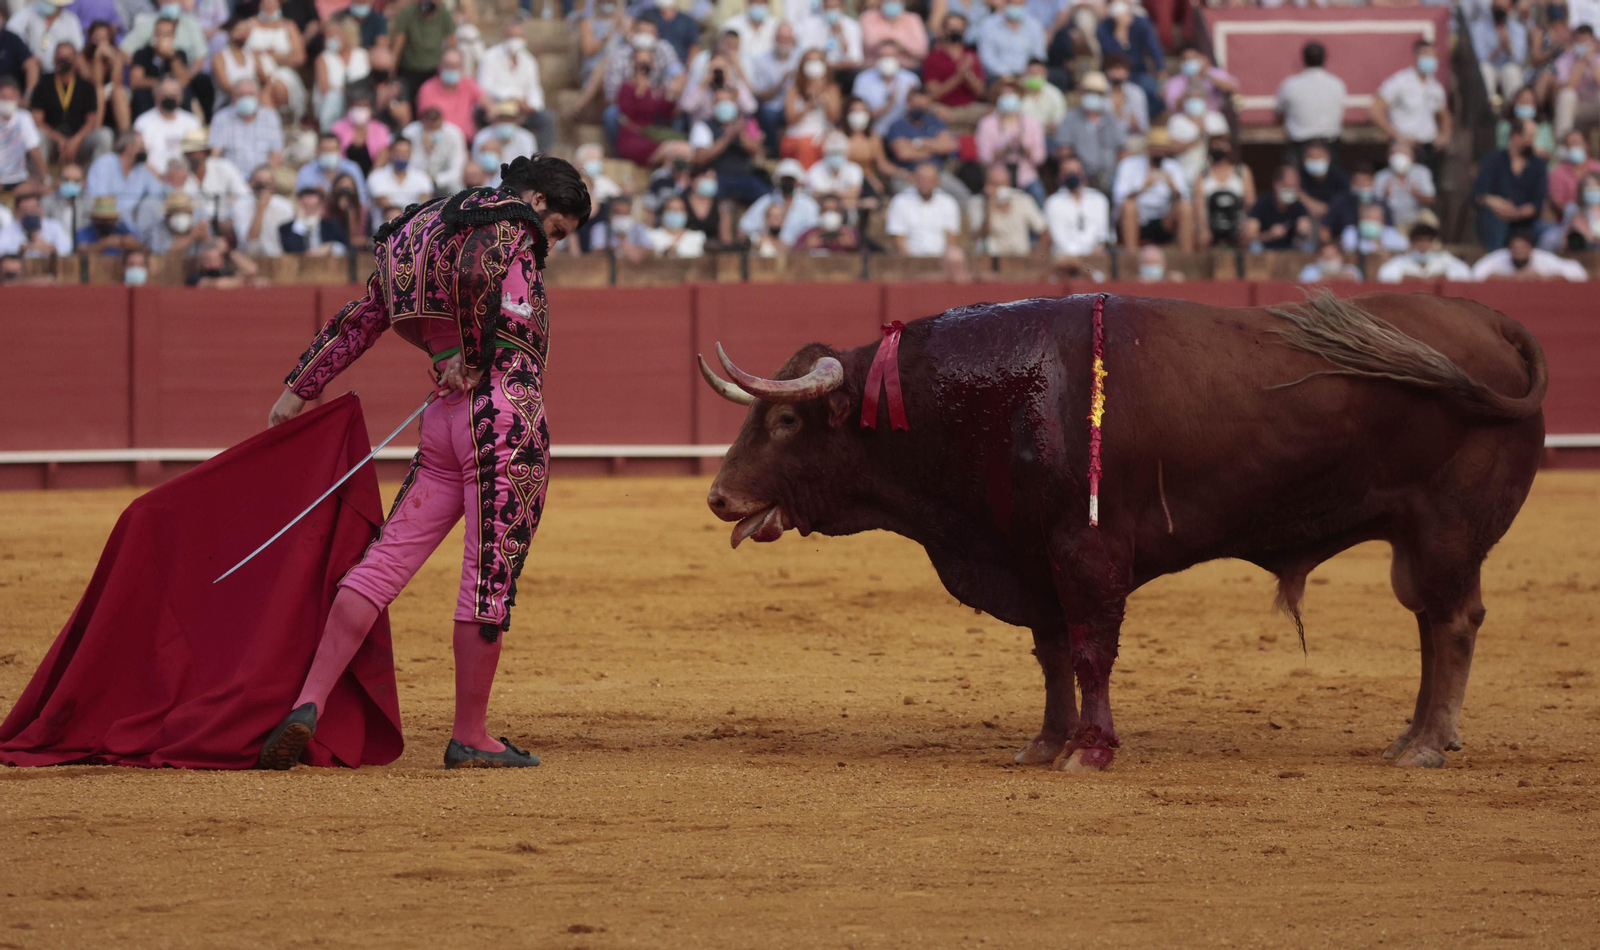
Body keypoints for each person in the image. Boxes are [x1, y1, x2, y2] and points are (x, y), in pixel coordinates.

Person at [258, 156, 590, 772]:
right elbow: (477, 273)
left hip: (441, 419)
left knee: (384, 562)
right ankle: (470, 735)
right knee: (489, 576)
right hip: (502, 413)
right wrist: (473, 349)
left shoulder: (413, 231)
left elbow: (363, 317)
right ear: (539, 200)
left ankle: (310, 701)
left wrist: (300, 386)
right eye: (559, 231)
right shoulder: (510, 221)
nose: (551, 245)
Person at [1373, 39, 1451, 180]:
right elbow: (1375, 110)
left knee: (1427, 190)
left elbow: (1444, 114)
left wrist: (1444, 135)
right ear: (1416, 56)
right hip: (1405, 148)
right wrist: (1396, 135)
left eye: (1433, 56)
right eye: (1426, 55)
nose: (1430, 59)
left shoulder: (1435, 86)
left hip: (1428, 147)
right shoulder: (1400, 82)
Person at [478, 15, 555, 154]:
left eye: (518, 36)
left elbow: (535, 91)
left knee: (546, 119)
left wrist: (531, 105)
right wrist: (511, 97)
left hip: (521, 112)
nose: (514, 40)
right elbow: (483, 88)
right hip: (496, 109)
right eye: (511, 36)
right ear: (504, 36)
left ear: (524, 38)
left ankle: (541, 162)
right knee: (477, 112)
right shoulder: (490, 57)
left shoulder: (529, 62)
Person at [30, 40, 110, 167]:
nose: (64, 59)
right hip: (52, 140)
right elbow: (37, 121)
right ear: (54, 59)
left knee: (105, 135)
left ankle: (96, 181)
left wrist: (75, 141)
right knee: (37, 135)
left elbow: (92, 121)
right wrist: (59, 139)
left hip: (79, 140)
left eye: (68, 56)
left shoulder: (86, 86)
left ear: (75, 59)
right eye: (60, 55)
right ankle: (43, 181)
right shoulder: (43, 84)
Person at [1473, 120, 1548, 249]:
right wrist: (1495, 202)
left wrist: (1518, 213)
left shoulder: (1538, 164)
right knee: (1493, 222)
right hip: (1497, 219)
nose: (1532, 141)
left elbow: (1538, 201)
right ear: (1516, 136)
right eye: (1529, 136)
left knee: (1548, 232)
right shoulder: (1493, 160)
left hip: (1526, 223)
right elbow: (1478, 194)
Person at [690, 86, 768, 205]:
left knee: (766, 197)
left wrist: (740, 135)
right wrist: (727, 138)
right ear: (713, 105)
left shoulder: (745, 123)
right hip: (717, 177)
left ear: (735, 103)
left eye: (728, 101)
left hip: (744, 177)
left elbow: (756, 151)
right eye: (720, 101)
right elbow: (700, 158)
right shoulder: (703, 126)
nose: (724, 105)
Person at [1111, 134, 1191, 251]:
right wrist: (1142, 188)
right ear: (1148, 149)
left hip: (1164, 220)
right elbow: (1118, 199)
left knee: (1185, 208)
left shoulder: (1173, 167)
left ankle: (1187, 258)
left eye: (1162, 149)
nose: (1159, 153)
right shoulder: (1128, 164)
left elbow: (1185, 198)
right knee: (1129, 206)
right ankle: (1131, 256)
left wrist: (1173, 188)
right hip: (1138, 219)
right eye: (1156, 149)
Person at [976, 79, 1046, 206]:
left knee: (1037, 191)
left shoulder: (1032, 123)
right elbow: (984, 158)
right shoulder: (986, 124)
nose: (1008, 99)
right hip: (998, 177)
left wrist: (1024, 148)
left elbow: (1040, 158)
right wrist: (1004, 150)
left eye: (1012, 95)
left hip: (1025, 175)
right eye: (1004, 95)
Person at [1053, 71, 1123, 191]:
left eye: (1097, 93)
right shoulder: (1071, 118)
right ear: (1082, 93)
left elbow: (1123, 149)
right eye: (1089, 92)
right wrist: (1074, 166)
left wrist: (1121, 171)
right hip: (1081, 175)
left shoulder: (1111, 119)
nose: (1093, 96)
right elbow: (1063, 149)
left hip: (1110, 175)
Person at [1275, 42, 1345, 161]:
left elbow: (1279, 114)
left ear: (1303, 59)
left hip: (1300, 147)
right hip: (1328, 145)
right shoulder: (1337, 84)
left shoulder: (1290, 85)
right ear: (1324, 59)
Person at [1096, 1, 1161, 119]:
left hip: (1137, 72)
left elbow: (1154, 46)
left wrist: (1160, 68)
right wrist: (1120, 28)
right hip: (1112, 74)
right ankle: (1115, 121)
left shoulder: (1141, 23)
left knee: (1157, 94)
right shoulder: (1103, 27)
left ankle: (1139, 119)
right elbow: (1112, 53)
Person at [240, 0, 306, 117]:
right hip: (253, 71)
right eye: (265, 4)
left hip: (282, 70)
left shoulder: (289, 26)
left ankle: (278, 118)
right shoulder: (249, 24)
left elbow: (299, 58)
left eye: (272, 3)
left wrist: (275, 57)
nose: (268, 7)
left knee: (278, 85)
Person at [208, 77, 283, 175]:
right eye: (241, 95)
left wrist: (265, 175)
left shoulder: (270, 117)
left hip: (262, 178)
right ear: (233, 98)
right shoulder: (221, 118)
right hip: (232, 179)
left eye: (250, 94)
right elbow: (215, 155)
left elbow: (276, 154)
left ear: (257, 96)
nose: (246, 98)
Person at [886, 159, 961, 257]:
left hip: (941, 261)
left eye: (929, 180)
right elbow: (899, 240)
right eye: (921, 179)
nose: (924, 183)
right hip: (910, 261)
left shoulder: (948, 203)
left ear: (937, 182)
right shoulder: (900, 201)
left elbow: (951, 240)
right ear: (915, 179)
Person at [1043, 154, 1111, 263]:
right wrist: (1078, 257)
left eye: (1076, 172)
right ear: (1061, 175)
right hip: (1064, 259)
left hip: (1094, 258)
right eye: (1068, 172)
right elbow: (1059, 239)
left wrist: (1092, 253)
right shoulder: (1053, 202)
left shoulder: (1099, 200)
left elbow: (1102, 235)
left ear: (1083, 174)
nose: (1073, 175)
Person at [179, 127, 248, 232]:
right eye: (187, 152)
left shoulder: (224, 167)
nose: (190, 156)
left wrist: (233, 219)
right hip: (196, 228)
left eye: (194, 152)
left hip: (228, 224)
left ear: (205, 152)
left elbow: (244, 195)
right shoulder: (180, 174)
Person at [780, 48, 840, 167]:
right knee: (807, 146)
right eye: (810, 61)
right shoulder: (793, 89)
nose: (814, 65)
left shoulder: (832, 89)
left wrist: (823, 99)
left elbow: (834, 118)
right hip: (798, 135)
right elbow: (790, 120)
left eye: (817, 61)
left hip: (823, 135)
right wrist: (808, 106)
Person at [922, 13, 985, 125]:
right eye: (951, 27)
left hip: (968, 108)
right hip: (943, 107)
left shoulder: (971, 56)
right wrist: (959, 76)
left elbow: (980, 91)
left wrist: (968, 74)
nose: (955, 31)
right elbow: (934, 94)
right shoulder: (934, 57)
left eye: (959, 28)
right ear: (944, 30)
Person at [738, 157, 818, 245]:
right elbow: (744, 228)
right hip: (770, 253)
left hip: (800, 253)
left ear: (797, 181)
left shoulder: (808, 204)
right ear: (778, 180)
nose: (787, 183)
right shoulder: (766, 201)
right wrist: (757, 239)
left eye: (790, 179)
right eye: (784, 179)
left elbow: (814, 232)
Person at [972, 162, 1045, 257]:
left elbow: (1043, 230)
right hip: (991, 260)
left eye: (1002, 184)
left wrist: (1038, 255)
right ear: (987, 185)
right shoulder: (977, 203)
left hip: (1020, 259)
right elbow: (978, 236)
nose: (999, 189)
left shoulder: (1023, 200)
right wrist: (989, 209)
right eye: (995, 184)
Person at [1375, 213, 1473, 283]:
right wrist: (1415, 279)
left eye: (1428, 239)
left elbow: (1465, 273)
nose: (1423, 244)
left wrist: (1439, 277)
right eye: (1419, 239)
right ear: (1412, 241)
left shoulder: (1443, 259)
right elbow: (1384, 275)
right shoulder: (1402, 261)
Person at [85, 129, 164, 214]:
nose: (144, 152)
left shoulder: (141, 169)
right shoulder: (104, 163)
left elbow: (158, 193)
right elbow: (98, 197)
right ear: (128, 147)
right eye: (141, 148)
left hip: (132, 222)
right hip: (106, 219)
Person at [1193, 136, 1252, 250]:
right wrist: (1204, 228)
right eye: (1215, 144)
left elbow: (1250, 201)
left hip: (1237, 221)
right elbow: (1199, 204)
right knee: (1201, 238)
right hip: (1211, 222)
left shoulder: (1242, 171)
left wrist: (1244, 225)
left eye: (1223, 144)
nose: (1219, 148)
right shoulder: (1202, 174)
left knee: (1248, 234)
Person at [313, 15, 369, 132]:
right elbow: (324, 89)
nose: (328, 39)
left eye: (332, 35)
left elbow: (367, 84)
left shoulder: (362, 55)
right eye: (327, 35)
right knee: (334, 97)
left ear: (346, 35)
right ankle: (328, 133)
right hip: (331, 105)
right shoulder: (323, 58)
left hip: (357, 102)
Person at [390, 0, 454, 100]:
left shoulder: (444, 14)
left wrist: (450, 66)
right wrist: (391, 72)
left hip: (434, 71)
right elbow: (398, 44)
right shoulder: (407, 13)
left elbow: (452, 42)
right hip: (409, 71)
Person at [850, 41, 919, 134]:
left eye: (891, 56)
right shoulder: (863, 79)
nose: (887, 60)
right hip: (873, 133)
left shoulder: (911, 79)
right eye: (883, 56)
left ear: (898, 58)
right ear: (876, 58)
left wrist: (911, 102)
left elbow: (918, 112)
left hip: (903, 135)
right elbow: (859, 113)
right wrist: (889, 104)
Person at [1165, 84, 1228, 184]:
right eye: (1190, 97)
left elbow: (1225, 144)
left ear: (1205, 99)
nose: (1194, 100)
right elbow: (1174, 148)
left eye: (1198, 97)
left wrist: (1207, 134)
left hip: (1212, 174)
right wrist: (1199, 137)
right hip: (1185, 173)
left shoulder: (1216, 118)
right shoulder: (1176, 120)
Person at [416, 48, 485, 140]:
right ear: (439, 66)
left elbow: (490, 107)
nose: (451, 69)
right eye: (447, 65)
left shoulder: (469, 85)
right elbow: (427, 119)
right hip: (437, 141)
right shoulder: (427, 88)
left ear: (461, 67)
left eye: (455, 66)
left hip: (466, 142)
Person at [1241, 164, 1312, 252]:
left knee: (1308, 246)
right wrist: (1270, 235)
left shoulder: (1298, 205)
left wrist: (1303, 232)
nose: (1291, 191)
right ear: (1277, 185)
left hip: (1290, 249)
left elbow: (1308, 231)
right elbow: (1248, 237)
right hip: (1265, 248)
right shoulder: (1263, 203)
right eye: (1288, 187)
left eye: (1294, 187)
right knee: (1255, 247)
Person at [1471, 226, 1587, 279]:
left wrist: (1543, 278)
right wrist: (1512, 278)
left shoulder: (1543, 259)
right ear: (1509, 249)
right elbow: (1475, 274)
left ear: (1531, 249)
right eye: (1516, 249)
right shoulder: (1499, 258)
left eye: (1523, 249)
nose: (1519, 252)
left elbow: (1578, 273)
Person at [233, 163, 296, 256]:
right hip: (251, 259)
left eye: (268, 183)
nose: (264, 188)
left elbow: (291, 242)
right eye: (259, 184)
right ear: (251, 183)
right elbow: (251, 242)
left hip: (279, 259)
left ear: (274, 184)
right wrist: (260, 208)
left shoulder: (285, 206)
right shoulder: (240, 206)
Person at [972, 0, 1045, 81]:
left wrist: (1027, 73)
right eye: (1012, 3)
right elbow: (987, 57)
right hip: (998, 77)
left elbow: (1038, 55)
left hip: (1027, 76)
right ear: (1004, 3)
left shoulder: (1034, 25)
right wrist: (1006, 74)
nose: (1015, 7)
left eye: (1019, 4)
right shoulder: (988, 24)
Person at [1372, 140, 1435, 231]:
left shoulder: (1421, 172)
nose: (1398, 156)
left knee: (1428, 218)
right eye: (1394, 153)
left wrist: (1416, 194)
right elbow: (1375, 204)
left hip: (1416, 215)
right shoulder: (1381, 176)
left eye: (1402, 153)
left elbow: (1431, 199)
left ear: (1412, 156)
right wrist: (1385, 195)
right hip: (1393, 218)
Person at [367, 135, 435, 219]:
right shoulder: (376, 176)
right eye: (398, 152)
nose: (401, 156)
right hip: (386, 227)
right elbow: (385, 204)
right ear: (390, 152)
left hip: (415, 225)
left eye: (405, 152)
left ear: (410, 153)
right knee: (392, 214)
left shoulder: (422, 177)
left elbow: (425, 201)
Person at [7, 0, 83, 75]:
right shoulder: (28, 12)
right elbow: (10, 32)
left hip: (60, 70)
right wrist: (27, 55)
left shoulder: (71, 20)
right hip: (34, 69)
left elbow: (78, 48)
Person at [403, 106, 467, 193]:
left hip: (443, 181)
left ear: (441, 121)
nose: (433, 131)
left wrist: (435, 179)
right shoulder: (409, 133)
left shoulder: (454, 134)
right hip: (416, 181)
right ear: (422, 122)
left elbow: (456, 169)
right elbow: (407, 164)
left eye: (436, 127)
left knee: (456, 189)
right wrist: (427, 152)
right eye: (429, 128)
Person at [1553, 23, 1600, 137]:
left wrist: (1592, 63)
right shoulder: (1564, 60)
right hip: (1574, 107)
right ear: (1574, 42)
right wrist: (1581, 62)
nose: (1583, 45)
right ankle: (1562, 141)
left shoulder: (1598, 59)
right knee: (1567, 95)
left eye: (1586, 41)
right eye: (1580, 41)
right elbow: (1569, 86)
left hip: (1593, 106)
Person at [1163, 44, 1237, 116]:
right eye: (1187, 59)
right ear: (1181, 62)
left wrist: (1207, 76)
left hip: (1211, 116)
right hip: (1185, 119)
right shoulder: (1175, 82)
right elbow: (1173, 106)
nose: (1190, 62)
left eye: (1193, 58)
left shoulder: (1212, 73)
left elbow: (1233, 87)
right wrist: (1191, 85)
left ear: (1202, 58)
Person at [296, 130, 367, 204]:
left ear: (339, 150)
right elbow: (300, 201)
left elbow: (362, 200)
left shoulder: (352, 169)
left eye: (332, 149)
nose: (329, 153)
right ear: (317, 151)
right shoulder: (306, 171)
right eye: (325, 150)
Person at [472, 101, 537, 180]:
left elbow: (529, 166)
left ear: (516, 121)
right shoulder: (482, 136)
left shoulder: (526, 138)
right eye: (502, 119)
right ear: (495, 120)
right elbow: (475, 164)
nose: (505, 123)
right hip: (487, 181)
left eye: (509, 120)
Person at [0, 77, 45, 189]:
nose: (7, 101)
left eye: (11, 97)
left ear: (18, 98)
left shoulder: (24, 117)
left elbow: (34, 149)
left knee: (40, 191)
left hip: (18, 180)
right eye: (3, 97)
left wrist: (46, 178)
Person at [0, 189, 73, 256]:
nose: (30, 213)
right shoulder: (9, 228)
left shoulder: (54, 225)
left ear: (41, 210)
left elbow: (67, 247)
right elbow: (2, 250)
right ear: (16, 213)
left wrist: (50, 248)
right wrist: (25, 248)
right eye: (24, 210)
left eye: (33, 209)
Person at [279, 186, 349, 255]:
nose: (310, 213)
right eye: (305, 207)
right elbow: (293, 251)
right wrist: (300, 222)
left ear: (321, 207)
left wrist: (330, 248)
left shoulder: (331, 225)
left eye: (314, 207)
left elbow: (347, 248)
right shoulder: (285, 229)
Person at [859, 0, 926, 70]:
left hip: (907, 69)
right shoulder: (867, 17)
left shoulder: (913, 19)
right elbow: (867, 44)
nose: (892, 2)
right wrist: (895, 44)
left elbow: (921, 51)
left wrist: (897, 44)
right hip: (872, 69)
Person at [1547, 127, 1600, 214]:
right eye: (1570, 144)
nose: (1574, 147)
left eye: (1577, 143)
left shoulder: (1597, 168)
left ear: (1586, 145)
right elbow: (1557, 202)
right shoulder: (1558, 173)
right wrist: (1577, 215)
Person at [799, 0, 863, 71]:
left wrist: (840, 34)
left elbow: (855, 59)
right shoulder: (811, 25)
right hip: (820, 69)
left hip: (844, 71)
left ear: (842, 7)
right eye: (828, 7)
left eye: (834, 7)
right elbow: (807, 54)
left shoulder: (852, 26)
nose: (831, 10)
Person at [1295, 139, 1349, 222]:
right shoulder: (1298, 176)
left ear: (1328, 157)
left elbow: (1328, 210)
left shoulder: (1340, 177)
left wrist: (1304, 199)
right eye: (1311, 157)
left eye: (1319, 156)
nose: (1315, 160)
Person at [144, 187, 208, 255]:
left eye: (183, 211)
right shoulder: (159, 228)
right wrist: (191, 237)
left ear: (190, 212)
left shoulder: (197, 224)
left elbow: (212, 245)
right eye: (176, 211)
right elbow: (160, 249)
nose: (180, 215)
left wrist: (205, 236)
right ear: (168, 214)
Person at [793, 192, 861, 253]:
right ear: (820, 213)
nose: (830, 214)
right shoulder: (810, 234)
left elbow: (868, 256)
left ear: (841, 214)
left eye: (834, 210)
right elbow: (792, 256)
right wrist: (806, 247)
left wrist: (854, 247)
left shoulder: (850, 234)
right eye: (826, 210)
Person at [77, 193, 142, 254]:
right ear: (94, 219)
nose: (106, 222)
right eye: (102, 219)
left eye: (109, 219)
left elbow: (139, 247)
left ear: (115, 220)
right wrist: (106, 242)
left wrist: (130, 244)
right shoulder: (84, 233)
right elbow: (82, 253)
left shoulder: (123, 230)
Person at [645, 193, 706, 257]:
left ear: (686, 214)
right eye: (671, 209)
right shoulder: (651, 236)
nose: (675, 213)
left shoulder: (697, 237)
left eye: (679, 210)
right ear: (663, 213)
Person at [185, 235, 261, 287]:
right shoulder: (195, 277)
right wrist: (243, 280)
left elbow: (252, 269)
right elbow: (218, 284)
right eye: (206, 260)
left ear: (221, 260)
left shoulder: (227, 273)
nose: (209, 264)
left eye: (212, 260)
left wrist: (228, 251)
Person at [1018, 60, 1064, 144]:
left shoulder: (1055, 93)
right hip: (1020, 136)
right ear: (1024, 74)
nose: (1035, 75)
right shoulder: (1016, 92)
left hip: (1047, 137)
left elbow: (1059, 119)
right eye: (1031, 73)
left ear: (1045, 74)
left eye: (1038, 72)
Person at [1339, 201, 1407, 257]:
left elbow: (1403, 246)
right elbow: (1350, 248)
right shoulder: (1351, 231)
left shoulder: (1390, 231)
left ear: (1382, 221)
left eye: (1376, 219)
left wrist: (1381, 244)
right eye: (1369, 218)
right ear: (1361, 219)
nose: (1372, 222)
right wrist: (1373, 245)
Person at [1102, 54, 1147, 137]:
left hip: (1129, 138)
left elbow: (1143, 127)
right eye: (1114, 69)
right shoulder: (1100, 91)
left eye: (1121, 69)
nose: (1117, 73)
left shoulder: (1136, 93)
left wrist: (1135, 125)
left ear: (1128, 72)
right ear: (1106, 71)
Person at [1557, 171, 1600, 249]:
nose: (1592, 189)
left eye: (1596, 186)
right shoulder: (1573, 211)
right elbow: (1564, 237)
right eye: (1588, 187)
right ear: (1582, 190)